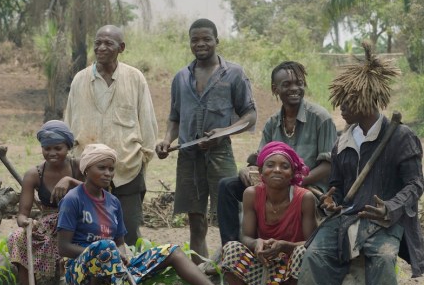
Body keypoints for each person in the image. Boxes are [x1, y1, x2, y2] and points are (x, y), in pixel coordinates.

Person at [293, 43, 424, 285]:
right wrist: (331, 200)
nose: (340, 107)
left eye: (347, 101)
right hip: (346, 219)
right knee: (315, 256)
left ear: (367, 99)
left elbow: (415, 184)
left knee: (383, 259)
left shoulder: (401, 137)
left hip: (384, 223)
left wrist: (390, 207)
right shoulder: (342, 141)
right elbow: (338, 186)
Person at [57, 143, 231, 285]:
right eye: (101, 168)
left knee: (172, 251)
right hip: (78, 272)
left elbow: (120, 243)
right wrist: (104, 253)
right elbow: (63, 247)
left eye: (111, 169)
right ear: (86, 169)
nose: (108, 173)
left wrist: (121, 255)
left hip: (115, 269)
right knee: (104, 248)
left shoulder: (113, 202)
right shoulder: (73, 200)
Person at [155, 18, 257, 263]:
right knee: (196, 220)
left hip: (220, 154)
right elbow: (175, 117)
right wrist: (166, 141)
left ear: (216, 41)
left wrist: (222, 133)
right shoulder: (181, 77)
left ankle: (231, 269)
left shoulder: (233, 73)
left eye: (206, 39)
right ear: (190, 43)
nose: (200, 44)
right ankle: (200, 273)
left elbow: (250, 115)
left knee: (229, 216)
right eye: (195, 40)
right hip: (188, 157)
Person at [218, 61, 337, 245]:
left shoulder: (321, 118)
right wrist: (247, 169)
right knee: (227, 185)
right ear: (275, 89)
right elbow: (261, 160)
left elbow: (328, 166)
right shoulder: (273, 123)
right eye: (287, 85)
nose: (295, 88)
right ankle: (230, 246)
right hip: (275, 186)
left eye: (299, 83)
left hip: (309, 188)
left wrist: (295, 181)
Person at [64, 25, 158, 246]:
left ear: (121, 48)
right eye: (98, 43)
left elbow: (148, 125)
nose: (101, 48)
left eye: (108, 43)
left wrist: (141, 160)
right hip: (86, 171)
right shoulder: (80, 79)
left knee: (129, 234)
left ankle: (130, 278)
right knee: (87, 232)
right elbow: (69, 122)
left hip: (126, 170)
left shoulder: (135, 78)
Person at [222, 141, 317, 285]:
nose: (277, 170)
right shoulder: (251, 194)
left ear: (293, 173)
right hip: (265, 266)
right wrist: (257, 243)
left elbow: (313, 243)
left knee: (302, 253)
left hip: (294, 271)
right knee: (231, 248)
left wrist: (286, 246)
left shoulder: (305, 198)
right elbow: (246, 237)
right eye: (270, 165)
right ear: (261, 172)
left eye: (284, 166)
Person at [7, 120, 84, 285]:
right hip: (47, 225)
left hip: (77, 222)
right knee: (16, 237)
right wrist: (26, 222)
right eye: (46, 148)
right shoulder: (34, 174)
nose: (52, 153)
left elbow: (97, 194)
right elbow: (22, 214)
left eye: (58, 148)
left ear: (68, 147)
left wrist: (70, 181)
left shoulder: (78, 167)